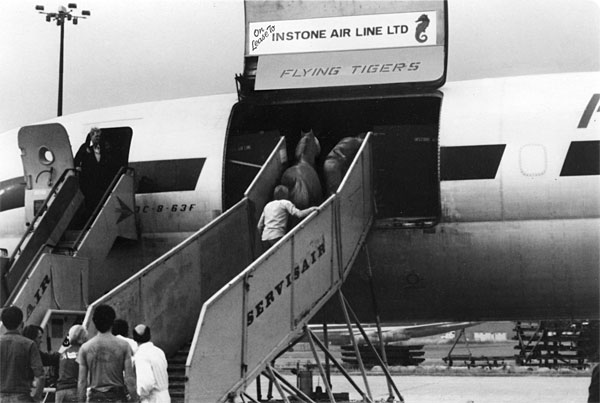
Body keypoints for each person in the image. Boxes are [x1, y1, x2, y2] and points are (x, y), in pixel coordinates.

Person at [77, 304, 138, 403]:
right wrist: (135, 399)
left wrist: (81, 401)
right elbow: (129, 379)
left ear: (94, 322)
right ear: (112, 322)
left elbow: (82, 382)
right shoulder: (123, 345)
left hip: (95, 397)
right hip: (117, 397)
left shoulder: (85, 348)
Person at [0, 306, 45, 402]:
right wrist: (37, 397)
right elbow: (40, 376)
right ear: (22, 324)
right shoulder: (29, 344)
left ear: (3, 324)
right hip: (22, 397)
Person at [257, 185, 318, 250]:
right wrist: (311, 209)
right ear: (286, 195)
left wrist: (264, 235)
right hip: (277, 236)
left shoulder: (267, 205)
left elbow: (259, 226)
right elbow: (299, 214)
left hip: (264, 239)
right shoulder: (285, 203)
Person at [132, 324, 170, 403]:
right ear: (149, 335)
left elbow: (146, 382)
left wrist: (140, 394)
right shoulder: (159, 351)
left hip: (152, 398)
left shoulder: (141, 354)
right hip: (164, 395)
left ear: (134, 338)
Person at [55, 325, 88, 403]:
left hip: (60, 391)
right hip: (74, 389)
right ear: (84, 337)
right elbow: (82, 379)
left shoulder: (63, 353)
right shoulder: (82, 352)